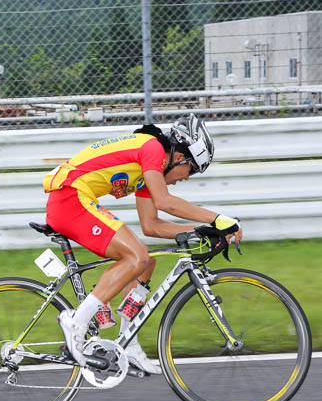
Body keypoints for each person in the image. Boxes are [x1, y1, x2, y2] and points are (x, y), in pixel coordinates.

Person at [43, 114, 241, 374]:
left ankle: (128, 343)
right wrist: (218, 218)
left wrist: (201, 230)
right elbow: (165, 202)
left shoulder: (148, 170)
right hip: (70, 198)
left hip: (74, 199)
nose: (187, 177)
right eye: (191, 170)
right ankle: (76, 322)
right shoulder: (152, 149)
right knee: (136, 256)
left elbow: (152, 225)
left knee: (145, 261)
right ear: (181, 157)